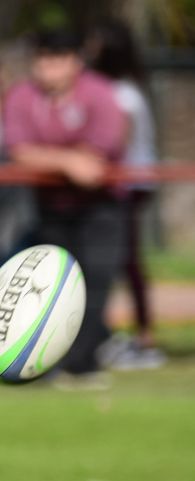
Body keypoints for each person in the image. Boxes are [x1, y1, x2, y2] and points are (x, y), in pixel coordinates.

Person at [3, 29, 127, 387]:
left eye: (57, 59)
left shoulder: (101, 93)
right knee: (51, 289)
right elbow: (19, 152)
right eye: (42, 59)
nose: (48, 68)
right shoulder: (22, 96)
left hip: (103, 206)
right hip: (51, 209)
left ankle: (83, 364)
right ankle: (47, 362)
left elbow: (95, 161)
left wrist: (54, 159)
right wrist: (67, 161)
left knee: (97, 283)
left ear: (75, 61)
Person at [89, 22, 164, 370]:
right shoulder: (118, 89)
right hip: (124, 182)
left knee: (126, 260)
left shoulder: (122, 94)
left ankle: (144, 338)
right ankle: (109, 333)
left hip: (128, 183)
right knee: (120, 260)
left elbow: (116, 144)